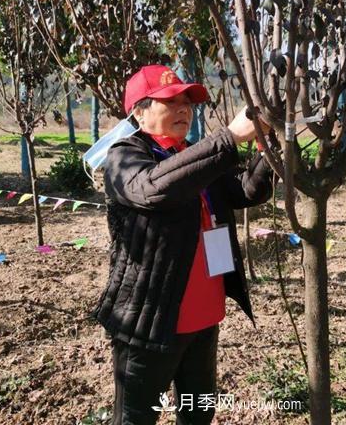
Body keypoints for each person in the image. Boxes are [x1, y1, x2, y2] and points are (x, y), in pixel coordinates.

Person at [92, 64, 276, 425]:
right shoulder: (123, 157)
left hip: (204, 319)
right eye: (170, 101)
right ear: (139, 112)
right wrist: (227, 138)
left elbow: (246, 190)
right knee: (136, 419)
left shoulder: (193, 153)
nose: (183, 110)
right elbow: (154, 189)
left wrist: (267, 146)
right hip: (152, 322)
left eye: (187, 103)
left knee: (197, 413)